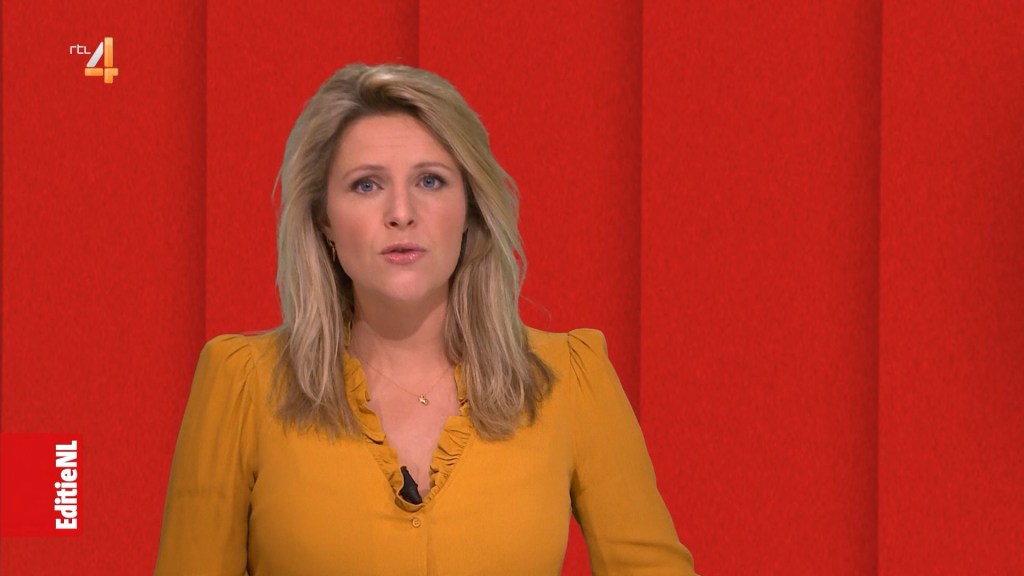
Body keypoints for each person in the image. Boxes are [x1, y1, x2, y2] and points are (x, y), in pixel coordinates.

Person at [154, 63, 697, 575]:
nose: (401, 213)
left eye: (430, 181)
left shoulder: (570, 379)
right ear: (324, 219)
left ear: (470, 209)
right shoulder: (242, 384)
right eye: (366, 184)